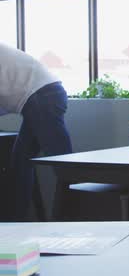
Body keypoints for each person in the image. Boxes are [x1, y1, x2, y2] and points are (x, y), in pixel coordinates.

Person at [0, 42, 72, 220]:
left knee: (64, 164)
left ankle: (76, 218)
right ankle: (15, 222)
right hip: (42, 97)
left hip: (41, 98)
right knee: (21, 163)